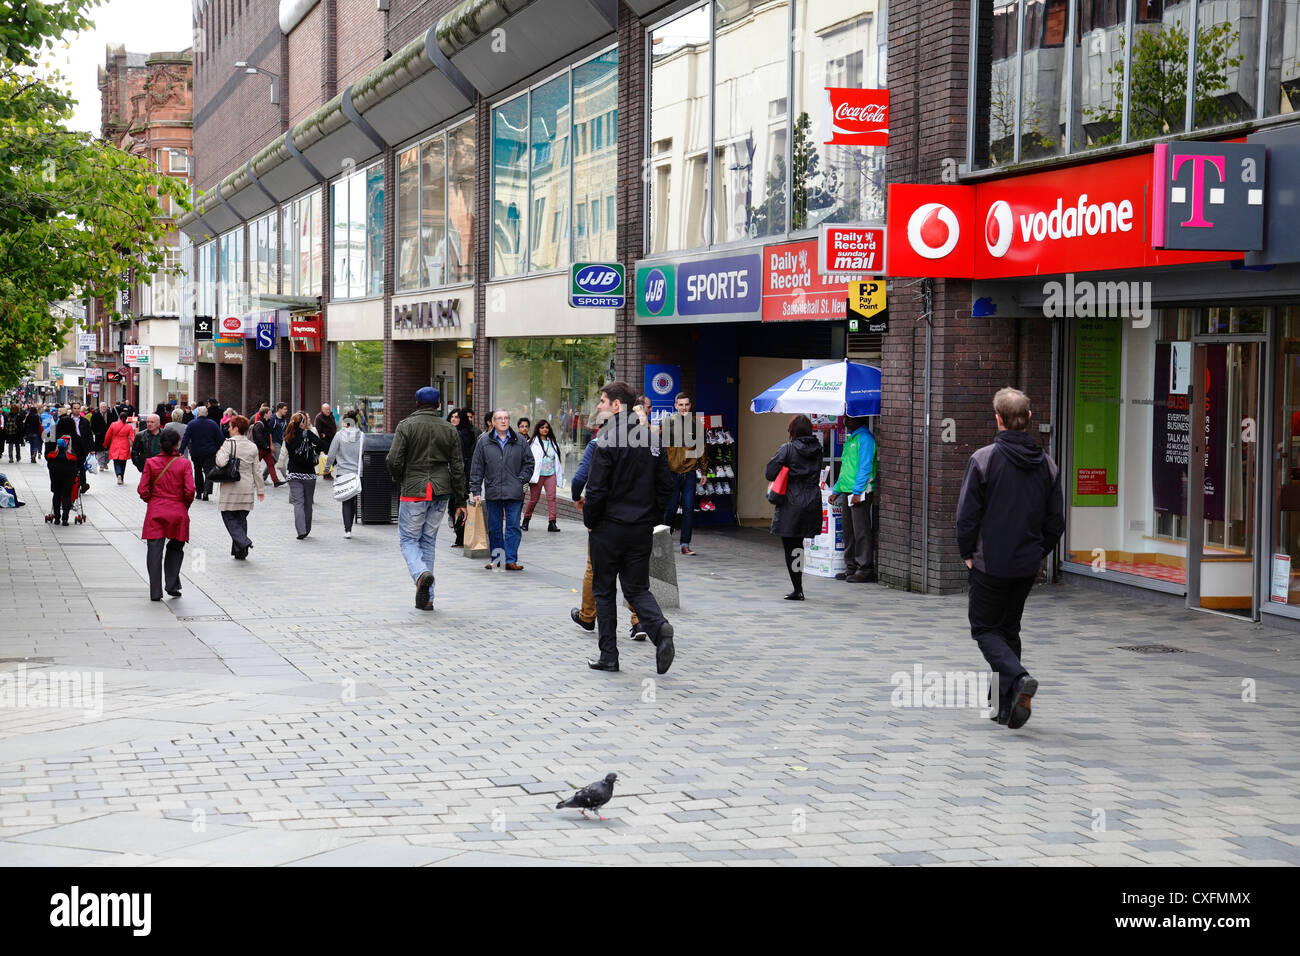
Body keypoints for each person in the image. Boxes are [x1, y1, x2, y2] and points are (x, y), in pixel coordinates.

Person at [956, 388, 1065, 730]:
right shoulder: (1047, 464)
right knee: (1008, 629)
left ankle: (1018, 679)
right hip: (1025, 566)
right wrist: (1037, 553)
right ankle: (1002, 708)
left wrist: (966, 554)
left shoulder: (984, 459)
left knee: (985, 629)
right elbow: (1056, 521)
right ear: (1029, 418)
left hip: (989, 563)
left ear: (998, 419)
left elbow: (966, 516)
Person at [582, 381, 676, 674]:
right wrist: (651, 516)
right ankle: (660, 629)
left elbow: (596, 490)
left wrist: (591, 521)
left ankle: (609, 655)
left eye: (602, 401)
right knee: (637, 588)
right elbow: (666, 486)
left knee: (605, 590)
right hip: (639, 528)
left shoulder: (606, 439)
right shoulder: (651, 440)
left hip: (608, 527)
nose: (598, 406)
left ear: (617, 405)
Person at [386, 388, 466, 609]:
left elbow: (393, 460)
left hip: (414, 489)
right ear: (439, 404)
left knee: (408, 540)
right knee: (428, 541)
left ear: (417, 403)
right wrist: (460, 501)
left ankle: (421, 574)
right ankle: (428, 598)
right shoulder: (450, 429)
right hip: (441, 490)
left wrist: (401, 477)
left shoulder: (405, 426)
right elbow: (458, 467)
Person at [765, 415, 826, 601]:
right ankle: (798, 588)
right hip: (812, 500)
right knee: (798, 545)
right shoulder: (818, 449)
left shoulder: (788, 449)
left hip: (791, 502)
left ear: (793, 431)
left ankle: (797, 588)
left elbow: (770, 472)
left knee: (791, 546)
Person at [468, 409, 533, 571]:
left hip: (514, 492)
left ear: (509, 421)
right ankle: (497, 559)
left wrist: (521, 479)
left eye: (506, 418)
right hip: (493, 491)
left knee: (513, 527)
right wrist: (476, 491)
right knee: (494, 528)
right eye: (499, 418)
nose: (503, 421)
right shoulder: (483, 441)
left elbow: (529, 463)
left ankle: (510, 560)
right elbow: (476, 467)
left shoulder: (520, 441)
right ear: (493, 422)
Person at [137, 428, 196, 601]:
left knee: (154, 551)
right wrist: (184, 505)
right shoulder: (184, 463)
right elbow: (190, 490)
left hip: (156, 510)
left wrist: (152, 500)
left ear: (160, 444)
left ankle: (155, 592)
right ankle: (172, 584)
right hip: (178, 510)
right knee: (176, 549)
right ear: (177, 444)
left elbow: (142, 490)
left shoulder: (150, 463)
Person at [829, 416, 878, 583]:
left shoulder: (865, 439)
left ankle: (865, 568)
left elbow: (865, 466)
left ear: (860, 420)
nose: (846, 423)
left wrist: (857, 491)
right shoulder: (852, 439)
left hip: (860, 492)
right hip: (847, 491)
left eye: (849, 420)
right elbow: (846, 469)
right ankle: (851, 567)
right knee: (849, 531)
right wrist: (836, 490)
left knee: (861, 531)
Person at [661, 392, 707, 556]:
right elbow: (662, 449)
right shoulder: (667, 424)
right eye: (681, 405)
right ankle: (665, 541)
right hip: (672, 473)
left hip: (689, 472)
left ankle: (685, 544)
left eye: (686, 404)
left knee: (688, 509)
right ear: (675, 406)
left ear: (690, 405)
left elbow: (701, 449)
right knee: (670, 509)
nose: (684, 407)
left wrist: (704, 471)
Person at [213, 414, 265, 560]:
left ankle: (244, 541)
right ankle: (240, 552)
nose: (228, 429)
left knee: (228, 515)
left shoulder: (228, 443)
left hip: (231, 487)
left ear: (236, 428)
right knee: (241, 518)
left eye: (230, 427)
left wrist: (219, 453)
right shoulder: (252, 446)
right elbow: (257, 470)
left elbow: (221, 462)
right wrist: (260, 490)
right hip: (247, 486)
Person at [284, 411, 329, 539]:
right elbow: (323, 445)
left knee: (298, 503)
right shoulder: (307, 433)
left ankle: (301, 531)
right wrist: (316, 450)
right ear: (302, 423)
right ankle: (307, 529)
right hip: (308, 474)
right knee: (308, 503)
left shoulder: (288, 436)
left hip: (293, 474)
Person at [326, 410, 364, 538]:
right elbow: (362, 453)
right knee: (352, 499)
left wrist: (327, 468)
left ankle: (347, 529)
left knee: (346, 501)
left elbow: (331, 454)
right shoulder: (362, 436)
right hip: (357, 473)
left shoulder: (339, 436)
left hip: (342, 472)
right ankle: (350, 527)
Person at [523, 419, 564, 532]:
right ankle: (526, 520)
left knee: (552, 498)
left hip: (551, 474)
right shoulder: (532, 443)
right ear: (538, 429)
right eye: (542, 427)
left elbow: (557, 460)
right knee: (534, 499)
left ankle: (552, 523)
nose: (545, 429)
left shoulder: (553, 442)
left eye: (546, 427)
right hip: (538, 475)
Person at [180, 405, 223, 501]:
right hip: (210, 452)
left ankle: (199, 492)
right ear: (207, 414)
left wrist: (181, 450)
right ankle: (206, 493)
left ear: (198, 414)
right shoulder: (213, 424)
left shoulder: (191, 424)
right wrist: (218, 448)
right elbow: (220, 438)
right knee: (208, 471)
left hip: (196, 452)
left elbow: (185, 438)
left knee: (198, 471)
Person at [448, 407, 477, 547]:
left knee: (457, 504)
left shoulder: (463, 434)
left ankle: (460, 536)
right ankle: (460, 535)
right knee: (456, 505)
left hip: (461, 475)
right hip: (458, 474)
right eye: (452, 416)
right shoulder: (455, 432)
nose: (454, 419)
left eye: (457, 417)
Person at [45, 437, 80, 525]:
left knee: (56, 495)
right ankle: (65, 519)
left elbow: (49, 465)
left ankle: (57, 518)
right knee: (67, 496)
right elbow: (75, 467)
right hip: (68, 478)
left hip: (55, 476)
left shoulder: (52, 456)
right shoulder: (72, 457)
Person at [250, 407, 283, 487]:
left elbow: (268, 435)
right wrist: (267, 446)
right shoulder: (259, 424)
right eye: (269, 413)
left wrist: (269, 446)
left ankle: (276, 481)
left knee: (271, 465)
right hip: (261, 449)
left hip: (266, 450)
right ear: (265, 414)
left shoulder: (266, 423)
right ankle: (251, 481)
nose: (271, 414)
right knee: (255, 466)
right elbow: (259, 437)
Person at [103, 413, 136, 484]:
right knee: (123, 462)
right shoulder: (129, 427)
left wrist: (105, 444)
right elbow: (132, 437)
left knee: (116, 461)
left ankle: (118, 474)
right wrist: (136, 445)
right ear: (126, 418)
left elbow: (108, 436)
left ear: (119, 417)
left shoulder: (113, 425)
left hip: (115, 444)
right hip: (125, 445)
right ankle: (122, 477)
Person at [89, 402, 113, 472]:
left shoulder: (110, 415)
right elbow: (92, 426)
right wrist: (96, 432)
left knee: (108, 452)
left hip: (109, 436)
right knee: (100, 451)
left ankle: (105, 462)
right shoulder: (95, 415)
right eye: (102, 407)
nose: (104, 408)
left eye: (105, 407)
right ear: (99, 407)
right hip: (99, 436)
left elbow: (113, 423)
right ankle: (101, 465)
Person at [315, 404, 337, 478]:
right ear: (322, 410)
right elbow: (317, 429)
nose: (328, 411)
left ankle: (327, 473)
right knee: (327, 457)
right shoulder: (319, 417)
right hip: (325, 441)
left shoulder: (331, 416)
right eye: (326, 409)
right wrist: (321, 435)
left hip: (333, 439)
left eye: (329, 409)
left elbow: (334, 425)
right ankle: (327, 474)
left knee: (334, 457)